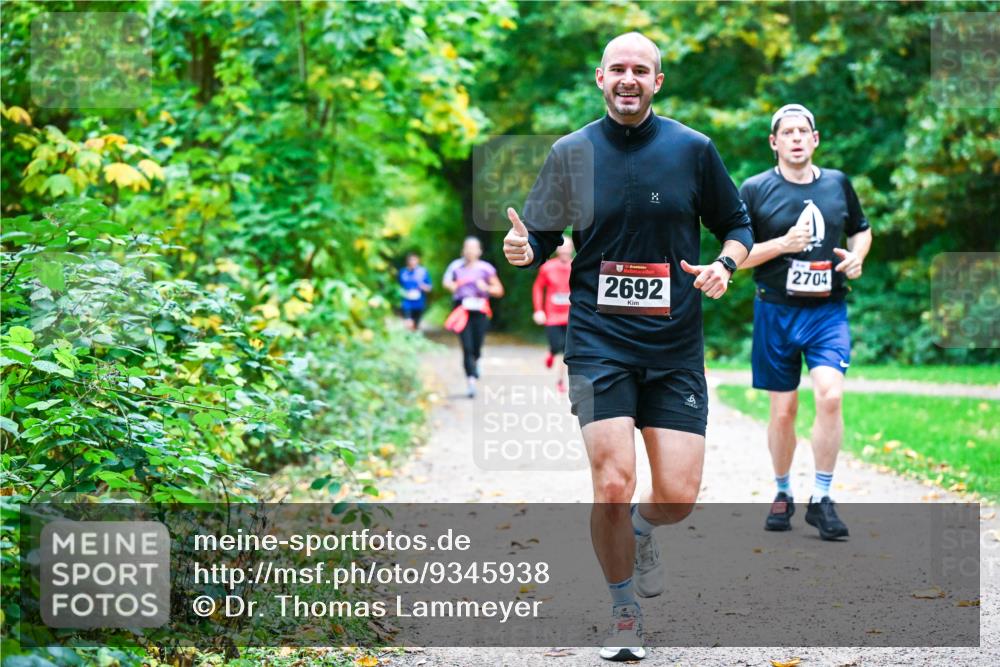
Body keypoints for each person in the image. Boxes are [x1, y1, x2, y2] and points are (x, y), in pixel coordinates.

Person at [503, 32, 752, 662]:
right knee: (612, 483)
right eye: (618, 68)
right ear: (600, 77)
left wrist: (724, 262)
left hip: (674, 344)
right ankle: (622, 611)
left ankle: (644, 532)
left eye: (641, 69)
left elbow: (737, 223)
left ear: (657, 82)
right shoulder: (571, 152)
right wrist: (523, 250)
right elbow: (538, 233)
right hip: (597, 339)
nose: (628, 78)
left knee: (676, 497)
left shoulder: (694, 149)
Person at [738, 104, 872, 541]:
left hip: (827, 310)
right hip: (775, 309)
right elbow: (736, 257)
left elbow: (862, 229)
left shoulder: (838, 184)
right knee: (784, 411)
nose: (796, 138)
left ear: (815, 139)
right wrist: (781, 244)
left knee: (830, 397)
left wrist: (857, 256)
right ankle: (782, 491)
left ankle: (823, 497)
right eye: (787, 132)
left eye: (804, 131)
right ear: (774, 142)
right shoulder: (755, 189)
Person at [443, 236, 504, 398]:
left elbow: (499, 290)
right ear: (463, 251)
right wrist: (456, 285)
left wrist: (486, 288)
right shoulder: (456, 268)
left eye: (473, 248)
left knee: (477, 346)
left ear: (479, 251)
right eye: (467, 248)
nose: (470, 251)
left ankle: (476, 363)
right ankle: (471, 381)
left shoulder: (486, 269)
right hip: (462, 311)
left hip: (480, 310)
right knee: (467, 346)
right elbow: (448, 284)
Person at [532, 236, 574, 392]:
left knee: (565, 349)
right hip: (552, 316)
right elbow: (537, 288)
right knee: (556, 345)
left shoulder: (577, 266)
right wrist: (538, 310)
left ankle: (560, 381)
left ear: (572, 249)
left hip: (571, 315)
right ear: (557, 249)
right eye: (562, 247)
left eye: (567, 247)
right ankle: (551, 352)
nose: (564, 250)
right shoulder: (547, 267)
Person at [399, 252, 432, 331]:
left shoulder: (423, 272)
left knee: (416, 325)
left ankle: (414, 337)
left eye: (414, 260)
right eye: (411, 260)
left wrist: (423, 287)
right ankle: (409, 337)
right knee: (408, 323)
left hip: (419, 302)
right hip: (406, 302)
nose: (412, 262)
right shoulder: (402, 272)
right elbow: (398, 286)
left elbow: (429, 287)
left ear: (418, 261)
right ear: (407, 261)